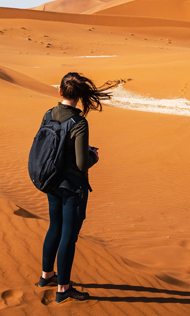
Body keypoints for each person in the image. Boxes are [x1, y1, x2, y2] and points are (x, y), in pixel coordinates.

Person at [36, 72, 112, 304]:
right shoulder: (79, 122)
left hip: (51, 181)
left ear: (60, 92)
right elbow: (81, 163)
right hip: (72, 187)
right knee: (68, 236)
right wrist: (94, 156)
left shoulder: (48, 114)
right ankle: (63, 289)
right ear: (79, 97)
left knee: (54, 228)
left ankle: (46, 276)